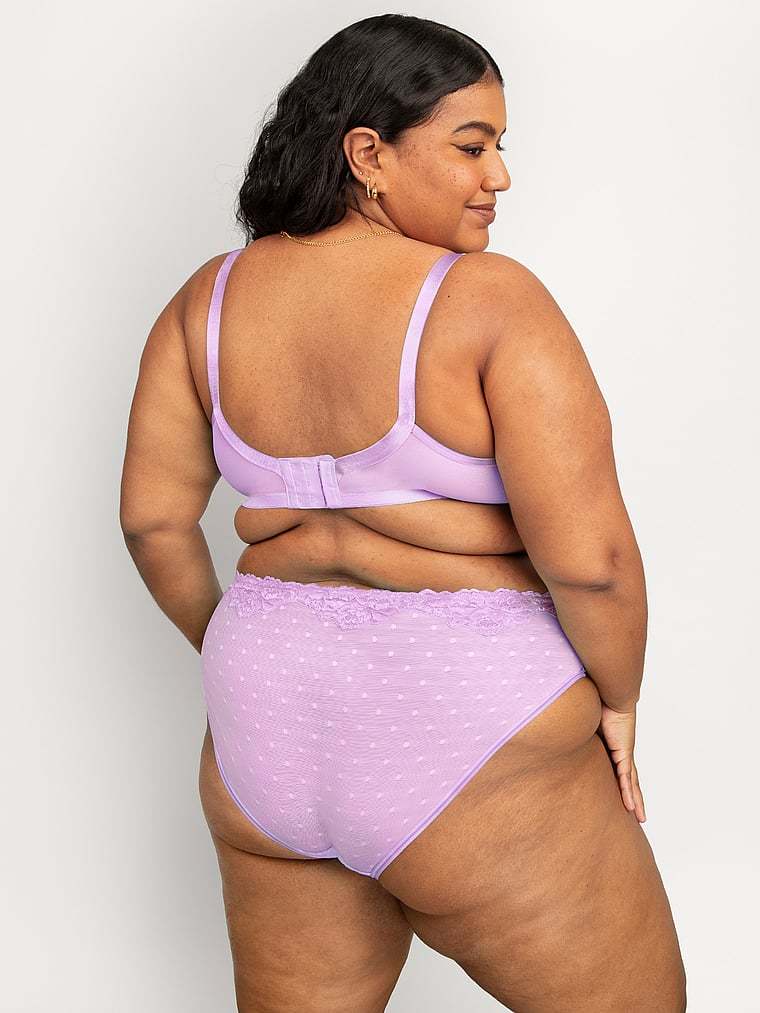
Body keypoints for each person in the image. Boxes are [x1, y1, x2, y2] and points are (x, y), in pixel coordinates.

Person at [120, 13, 687, 1012]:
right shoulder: (489, 300)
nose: (498, 176)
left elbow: (153, 523)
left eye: (499, 147)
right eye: (471, 146)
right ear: (368, 155)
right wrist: (620, 697)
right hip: (471, 717)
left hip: (269, 723)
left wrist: (247, 649)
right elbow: (590, 561)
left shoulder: (207, 301)